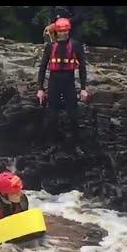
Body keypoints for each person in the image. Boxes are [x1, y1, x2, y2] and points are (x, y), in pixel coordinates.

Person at [36, 18, 88, 155]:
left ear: (69, 31)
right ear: (56, 32)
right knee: (53, 115)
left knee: (73, 115)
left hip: (69, 82)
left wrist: (83, 88)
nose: (63, 34)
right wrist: (40, 88)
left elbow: (82, 68)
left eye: (65, 31)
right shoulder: (50, 47)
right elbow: (42, 68)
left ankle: (76, 145)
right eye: (60, 31)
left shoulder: (76, 46)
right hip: (54, 82)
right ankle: (52, 143)